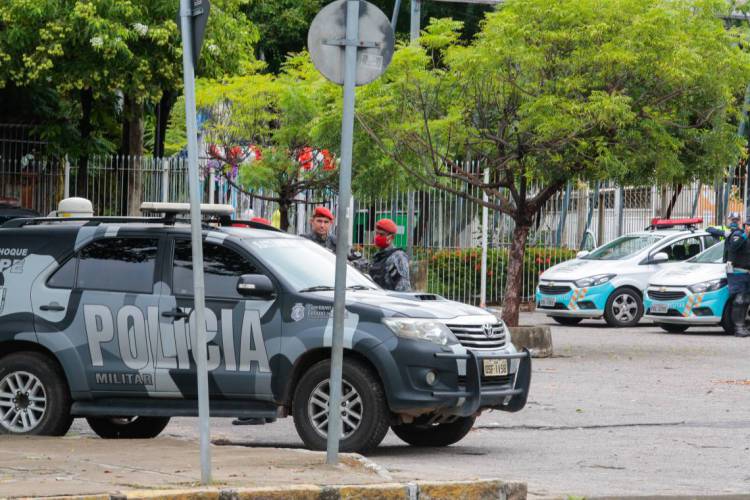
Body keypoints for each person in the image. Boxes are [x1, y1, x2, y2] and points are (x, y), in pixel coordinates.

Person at [724, 215, 750, 337]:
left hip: (747, 274)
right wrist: (745, 234)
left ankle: (745, 325)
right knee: (740, 300)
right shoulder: (738, 235)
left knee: (746, 300)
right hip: (738, 273)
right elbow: (734, 247)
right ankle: (738, 327)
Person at [368, 218, 411, 291]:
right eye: (376, 234)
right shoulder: (378, 256)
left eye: (381, 234)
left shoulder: (398, 257)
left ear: (391, 237)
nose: (378, 237)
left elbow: (403, 287)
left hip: (390, 299)